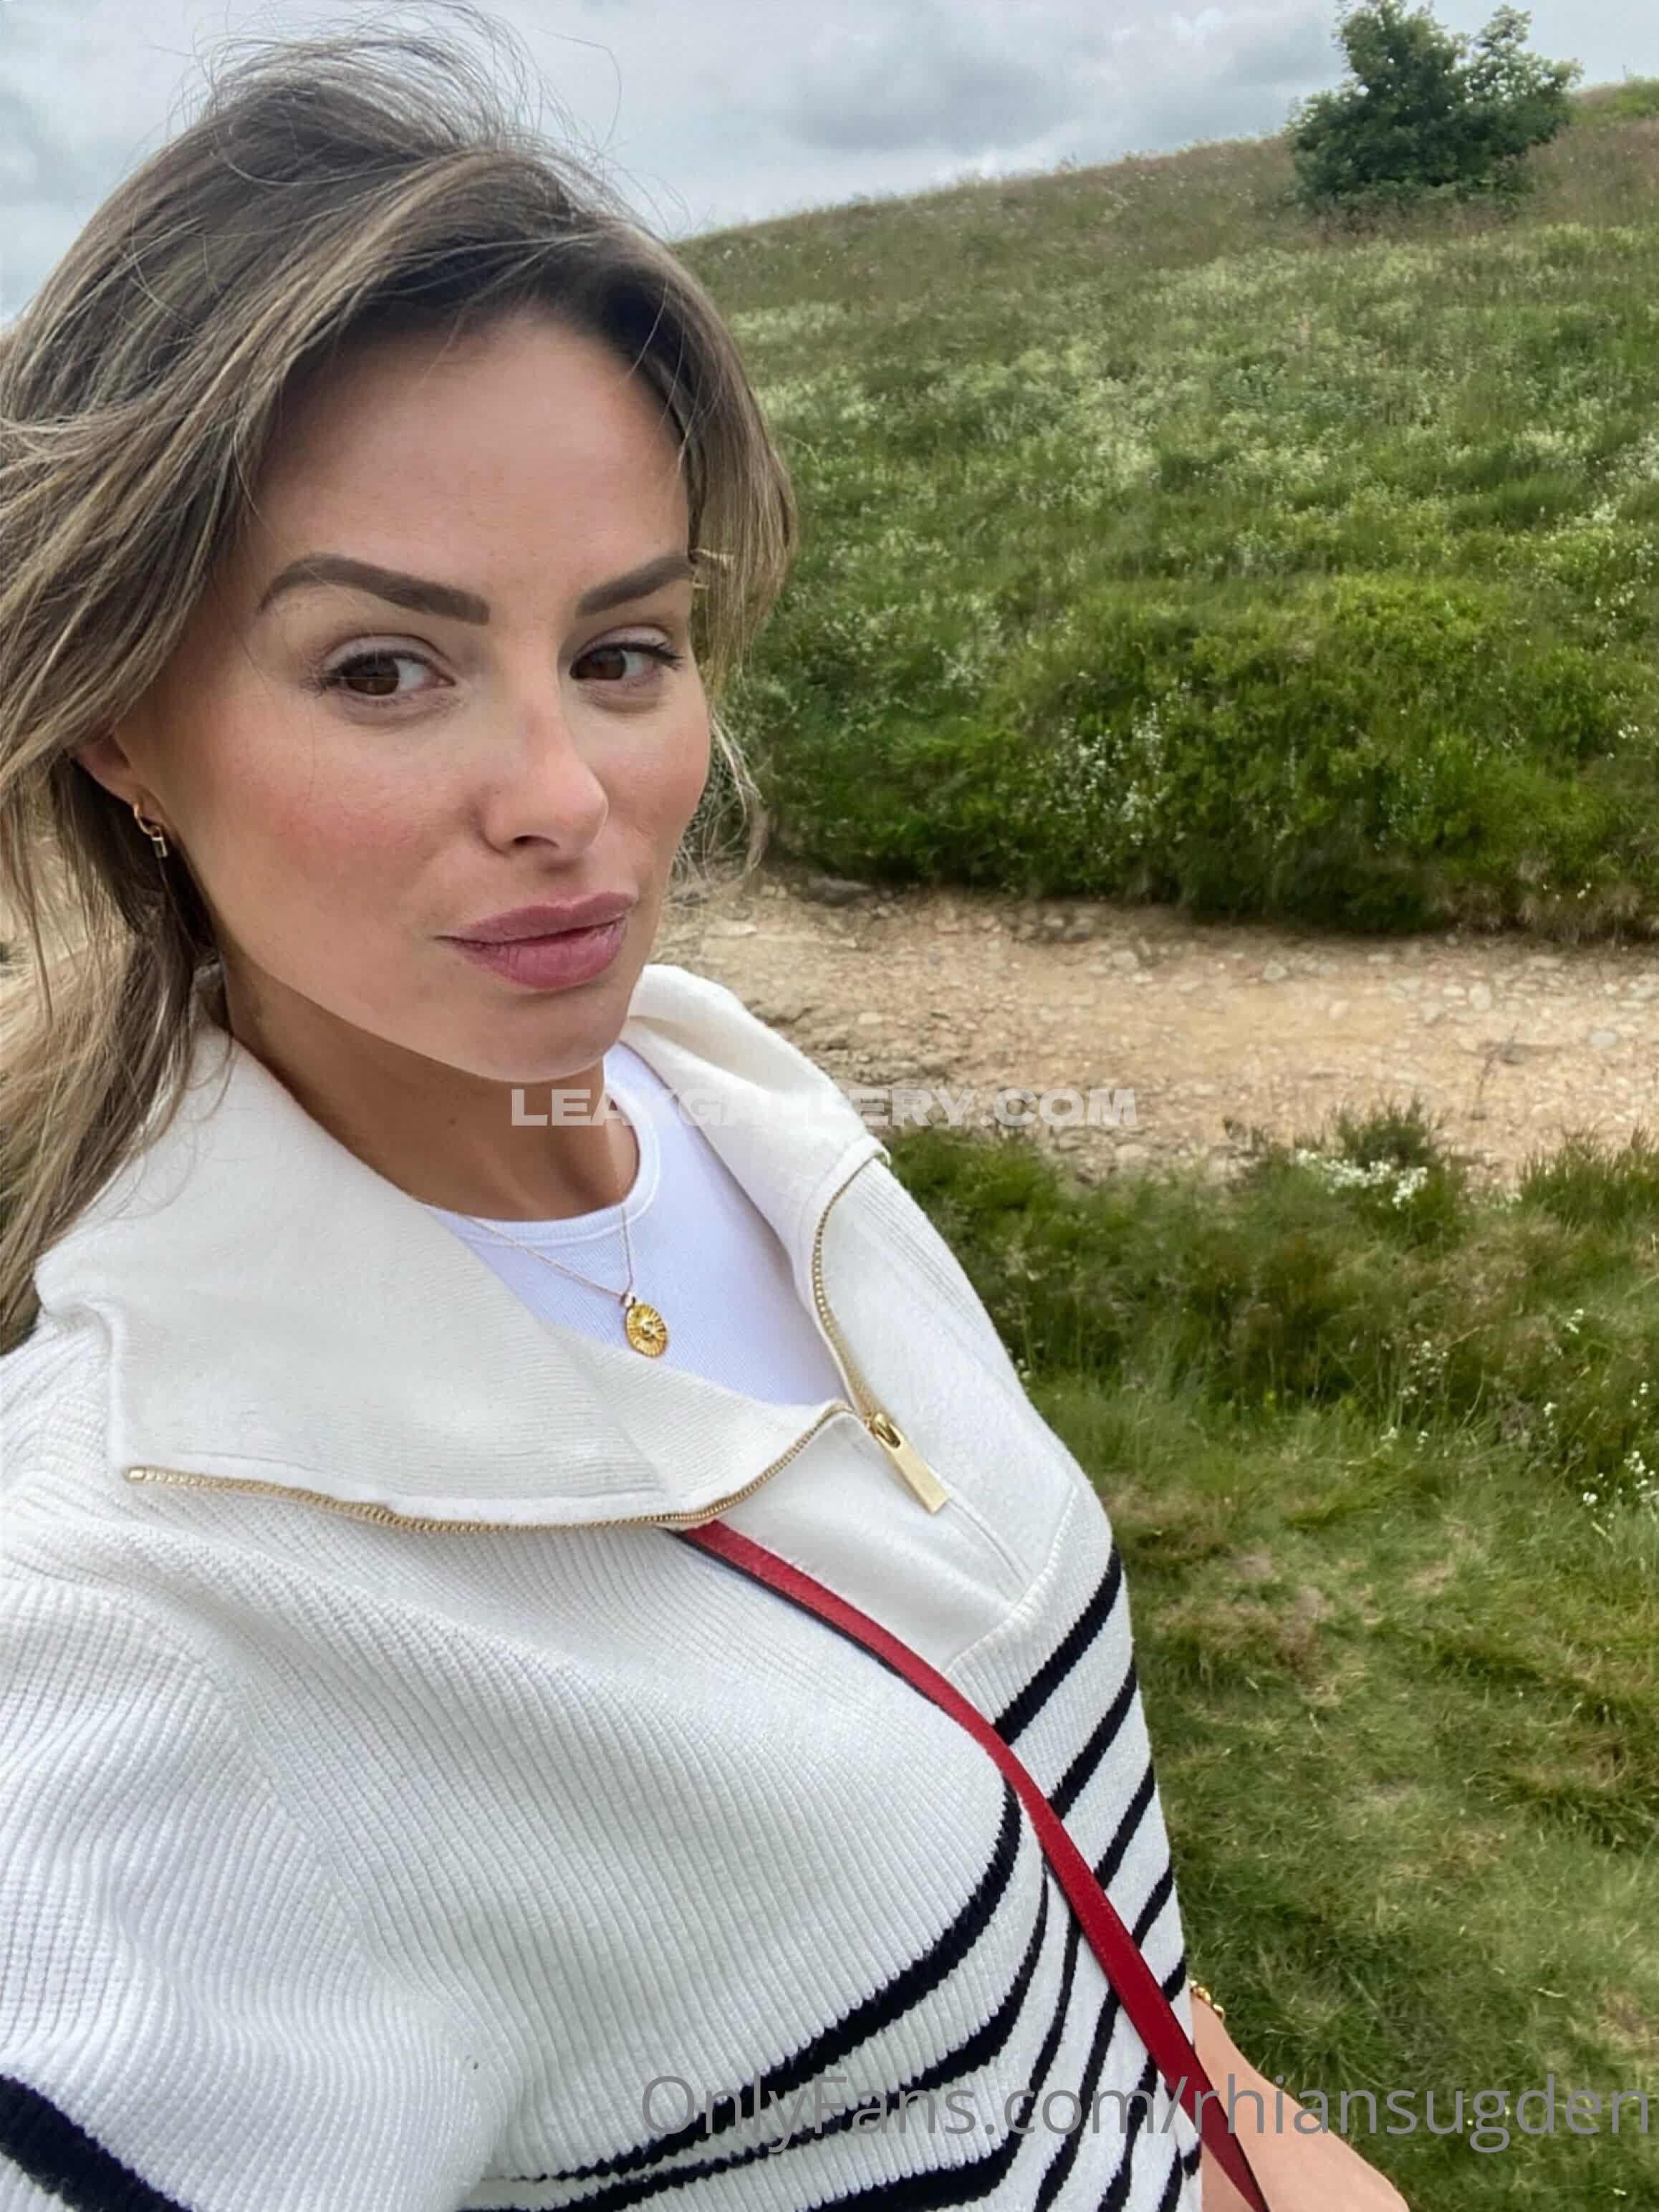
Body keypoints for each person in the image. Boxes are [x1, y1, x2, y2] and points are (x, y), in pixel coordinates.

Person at [0, 15, 1408, 2211]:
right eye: (383, 666)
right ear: (120, 727)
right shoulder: (139, 1611)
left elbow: (1079, 1885)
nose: (565, 796)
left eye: (622, 652)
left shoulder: (754, 1122)